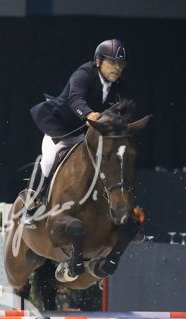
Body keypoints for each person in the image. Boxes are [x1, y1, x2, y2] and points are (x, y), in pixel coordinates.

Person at [28, 38, 130, 208]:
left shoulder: (119, 85)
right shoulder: (84, 74)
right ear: (98, 61)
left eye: (120, 64)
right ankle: (32, 201)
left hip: (85, 135)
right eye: (112, 62)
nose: (117, 68)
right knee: (48, 161)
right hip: (60, 128)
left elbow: (122, 108)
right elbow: (75, 99)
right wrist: (88, 114)